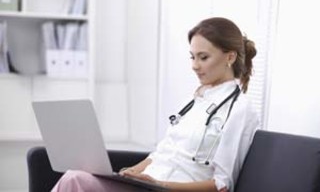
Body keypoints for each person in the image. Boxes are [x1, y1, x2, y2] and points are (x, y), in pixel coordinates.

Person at [52, 17, 260, 192]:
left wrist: (161, 184)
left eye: (203, 58)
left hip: (167, 188)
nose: (195, 66)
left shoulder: (241, 110)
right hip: (148, 185)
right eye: (192, 57)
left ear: (230, 57)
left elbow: (221, 185)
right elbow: (163, 153)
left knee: (75, 181)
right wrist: (134, 171)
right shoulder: (193, 100)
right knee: (75, 176)